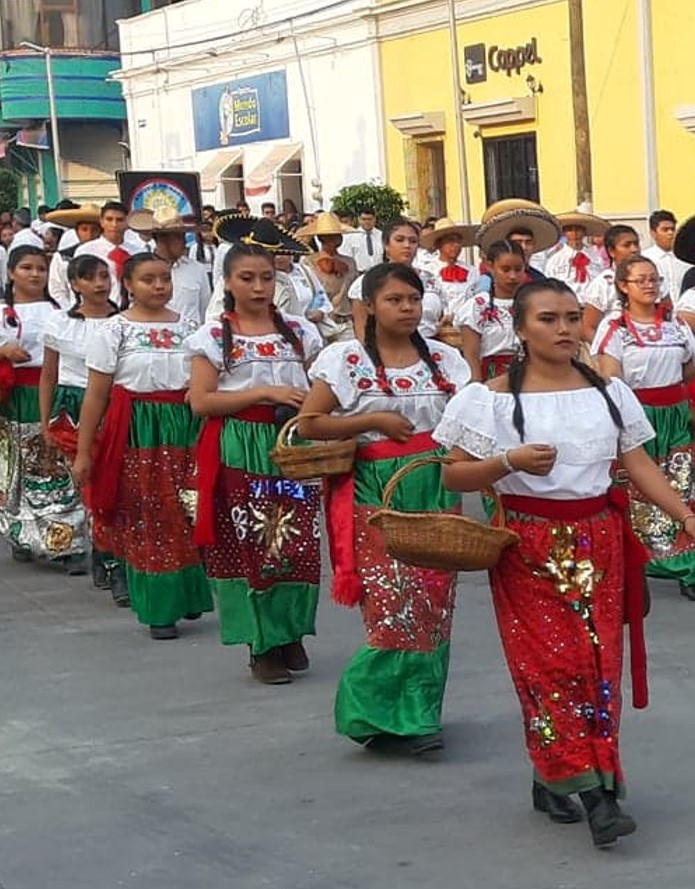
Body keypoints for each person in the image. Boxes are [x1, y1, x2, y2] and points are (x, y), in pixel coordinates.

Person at [434, 277, 695, 849]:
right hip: (526, 545)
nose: (563, 328)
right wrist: (505, 462)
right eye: (547, 319)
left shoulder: (610, 392)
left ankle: (563, 773)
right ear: (519, 328)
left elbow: (635, 462)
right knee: (551, 669)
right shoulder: (487, 398)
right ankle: (597, 797)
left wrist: (684, 513)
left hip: (600, 540)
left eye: (569, 317)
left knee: (597, 665)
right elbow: (452, 472)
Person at [299, 263, 469, 753]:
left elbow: (470, 418)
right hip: (375, 490)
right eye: (394, 300)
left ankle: (418, 714)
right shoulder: (345, 360)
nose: (407, 308)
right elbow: (310, 423)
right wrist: (370, 418)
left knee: (434, 603)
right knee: (393, 603)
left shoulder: (445, 359)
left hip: (433, 484)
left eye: (413, 299)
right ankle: (372, 709)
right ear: (369, 306)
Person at [187, 224, 327, 685]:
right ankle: (261, 643)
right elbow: (201, 401)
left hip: (292, 445)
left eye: (266, 277)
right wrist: (263, 391)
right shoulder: (212, 335)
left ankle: (290, 631)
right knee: (252, 545)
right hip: (243, 444)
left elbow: (322, 390)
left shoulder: (302, 332)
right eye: (246, 278)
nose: (258, 287)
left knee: (297, 542)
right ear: (227, 282)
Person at [73, 254, 213, 638]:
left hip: (185, 426)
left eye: (164, 278)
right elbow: (96, 395)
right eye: (148, 279)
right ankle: (159, 609)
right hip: (138, 431)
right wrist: (86, 452)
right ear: (129, 284)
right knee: (149, 516)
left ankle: (189, 595)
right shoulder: (114, 330)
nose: (158, 286)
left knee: (188, 510)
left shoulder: (190, 327)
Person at [594, 255, 695, 602]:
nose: (649, 285)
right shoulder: (616, 327)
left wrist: (684, 401)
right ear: (623, 286)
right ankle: (641, 562)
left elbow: (690, 370)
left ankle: (688, 567)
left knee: (681, 482)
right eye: (640, 279)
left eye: (654, 279)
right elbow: (610, 375)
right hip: (637, 412)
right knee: (639, 490)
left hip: (674, 412)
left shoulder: (676, 325)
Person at [0, 247, 80, 566]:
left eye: (41, 268)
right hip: (14, 398)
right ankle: (20, 533)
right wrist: (4, 350)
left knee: (54, 467)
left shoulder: (62, 311)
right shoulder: (3, 311)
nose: (35, 274)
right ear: (11, 273)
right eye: (26, 268)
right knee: (15, 469)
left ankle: (66, 542)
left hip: (52, 394)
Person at [38, 253, 113, 585]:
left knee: (115, 482)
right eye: (90, 278)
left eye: (104, 276)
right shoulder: (60, 322)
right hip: (74, 405)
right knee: (88, 483)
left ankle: (109, 552)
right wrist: (45, 423)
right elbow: (49, 375)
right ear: (74, 284)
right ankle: (102, 551)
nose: (99, 284)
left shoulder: (123, 320)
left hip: (115, 405)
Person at [132, 209, 213, 327]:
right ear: (162, 239)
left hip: (190, 340)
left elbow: (205, 310)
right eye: (179, 237)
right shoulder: (141, 269)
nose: (185, 242)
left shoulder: (197, 270)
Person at [461, 241, 529, 381]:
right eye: (505, 269)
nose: (512, 276)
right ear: (490, 267)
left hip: (530, 376)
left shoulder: (532, 302)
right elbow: (471, 357)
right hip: (491, 378)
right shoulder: (477, 306)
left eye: (518, 269)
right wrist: (477, 390)